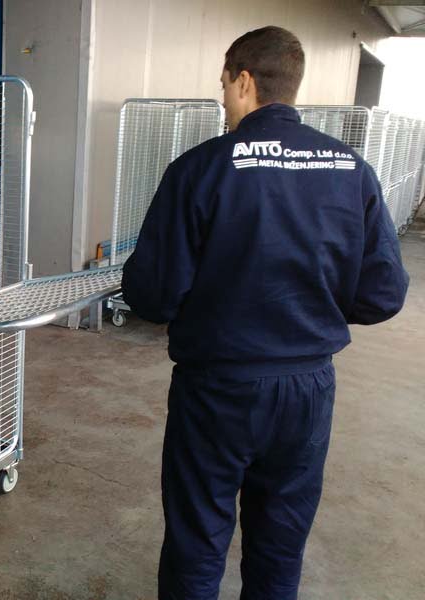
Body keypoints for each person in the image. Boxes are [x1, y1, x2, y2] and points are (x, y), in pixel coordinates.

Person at [121, 26, 409, 600]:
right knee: (280, 540)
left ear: (244, 81)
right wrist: (314, 307)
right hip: (307, 389)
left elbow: (152, 296)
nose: (224, 100)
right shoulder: (350, 169)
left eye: (224, 85)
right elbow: (382, 294)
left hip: (217, 389)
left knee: (198, 536)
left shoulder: (200, 168)